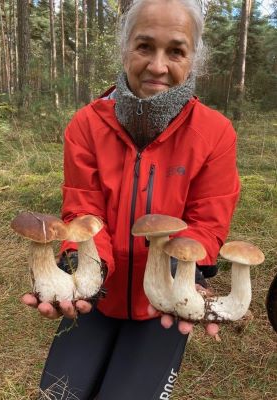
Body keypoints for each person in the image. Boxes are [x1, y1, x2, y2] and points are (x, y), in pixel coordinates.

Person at [22, 0, 240, 398]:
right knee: (58, 393)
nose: (158, 66)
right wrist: (80, 271)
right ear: (124, 50)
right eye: (144, 46)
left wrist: (181, 277)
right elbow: (82, 208)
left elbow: (208, 223)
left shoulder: (215, 133)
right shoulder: (87, 124)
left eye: (176, 50)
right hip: (98, 297)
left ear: (194, 58)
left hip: (163, 305)